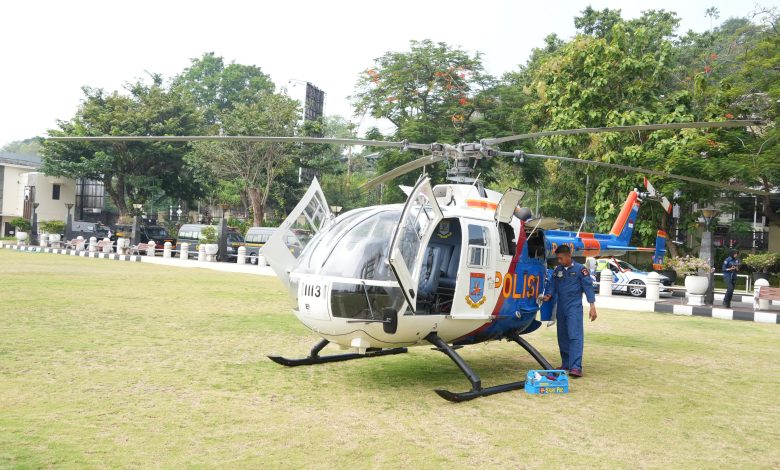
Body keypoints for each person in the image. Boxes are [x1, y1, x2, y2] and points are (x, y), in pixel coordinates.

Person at [543, 245, 597, 378]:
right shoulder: (558, 270)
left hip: (574, 307)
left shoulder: (580, 270)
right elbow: (552, 284)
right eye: (558, 259)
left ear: (568, 256)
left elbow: (588, 287)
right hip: (561, 307)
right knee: (562, 336)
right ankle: (566, 363)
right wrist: (548, 295)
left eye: (561, 258)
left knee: (575, 336)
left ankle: (576, 367)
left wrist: (592, 306)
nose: (559, 261)